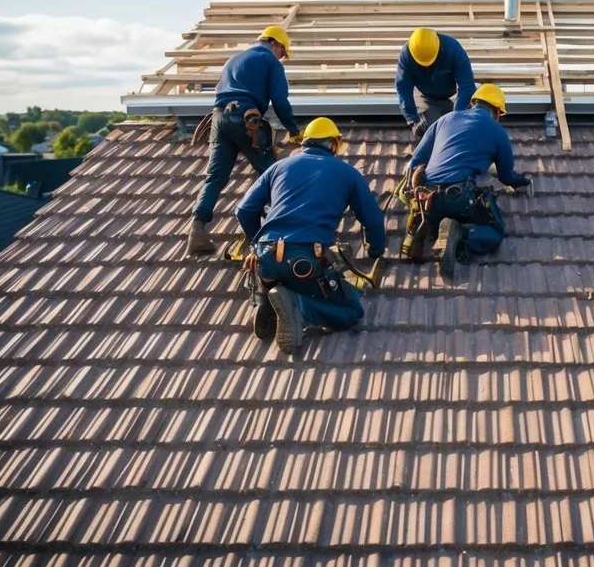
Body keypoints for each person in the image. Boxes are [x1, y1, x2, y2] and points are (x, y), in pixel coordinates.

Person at [235, 117, 387, 353]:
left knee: (283, 277)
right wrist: (376, 250)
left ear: (305, 143)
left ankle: (271, 301)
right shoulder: (346, 173)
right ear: (333, 145)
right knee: (351, 312)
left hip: (266, 259)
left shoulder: (278, 167)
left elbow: (244, 210)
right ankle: (299, 306)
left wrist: (257, 243)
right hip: (306, 262)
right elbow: (373, 220)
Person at [188, 25, 302, 255]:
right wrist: (293, 129)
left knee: (215, 177)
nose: (282, 57)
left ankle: (197, 231)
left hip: (219, 118)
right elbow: (279, 100)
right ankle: (283, 230)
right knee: (271, 174)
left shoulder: (235, 58)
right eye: (283, 53)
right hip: (245, 118)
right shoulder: (270, 61)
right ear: (276, 44)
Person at [405, 83, 530, 277]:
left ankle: (435, 228)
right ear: (496, 111)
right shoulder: (497, 132)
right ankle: (460, 234)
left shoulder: (445, 119)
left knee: (436, 215)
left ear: (473, 103)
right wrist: (521, 180)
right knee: (495, 233)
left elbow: (417, 159)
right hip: (460, 197)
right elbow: (506, 176)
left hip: (429, 201)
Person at [395, 27, 477, 137]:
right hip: (425, 96)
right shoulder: (406, 55)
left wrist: (457, 115)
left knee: (470, 124)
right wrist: (413, 118)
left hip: (454, 96)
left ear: (439, 49)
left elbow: (467, 86)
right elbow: (403, 88)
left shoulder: (453, 49)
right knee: (433, 130)